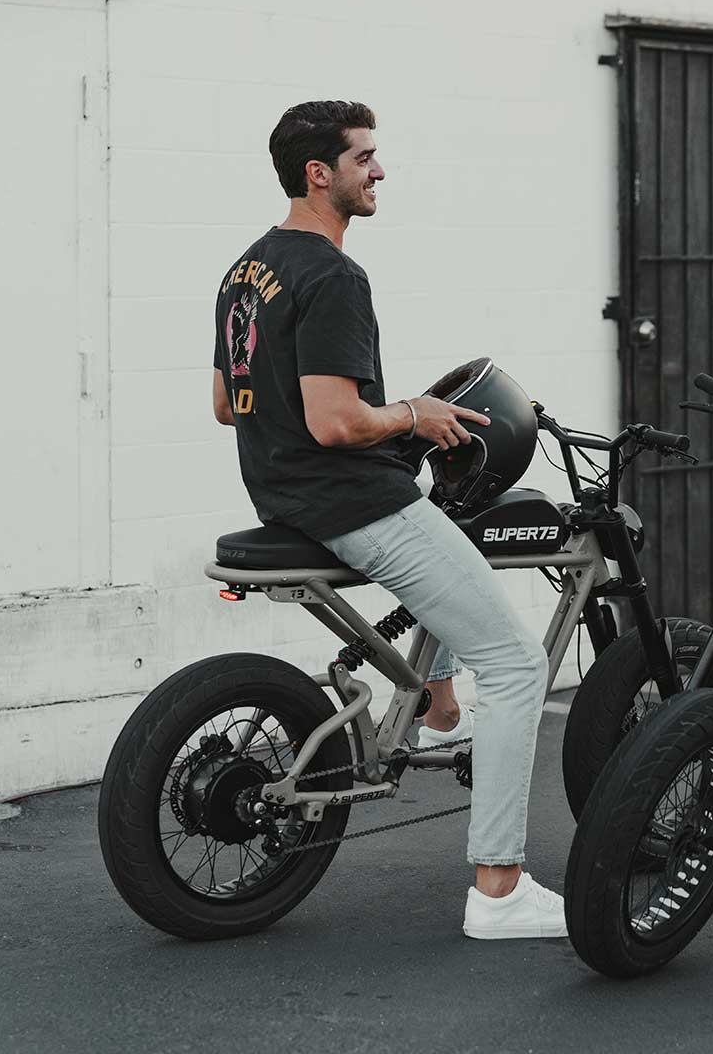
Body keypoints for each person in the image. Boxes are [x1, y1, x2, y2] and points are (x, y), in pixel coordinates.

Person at [212, 100, 564, 940]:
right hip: (353, 500)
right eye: (365, 158)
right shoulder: (334, 276)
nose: (379, 171)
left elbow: (230, 405)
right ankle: (499, 888)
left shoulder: (246, 270)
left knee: (452, 532)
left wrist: (383, 416)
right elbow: (337, 422)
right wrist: (415, 413)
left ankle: (439, 708)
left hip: (285, 494)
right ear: (318, 174)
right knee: (517, 667)